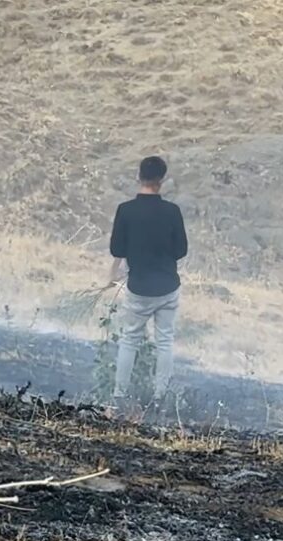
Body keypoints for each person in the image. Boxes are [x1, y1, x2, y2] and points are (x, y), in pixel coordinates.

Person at [107, 155, 188, 414]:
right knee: (165, 341)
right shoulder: (172, 211)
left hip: (139, 287)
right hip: (167, 286)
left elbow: (117, 248)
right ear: (162, 180)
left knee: (130, 340)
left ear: (138, 176)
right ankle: (160, 396)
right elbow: (181, 250)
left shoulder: (125, 210)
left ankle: (120, 395)